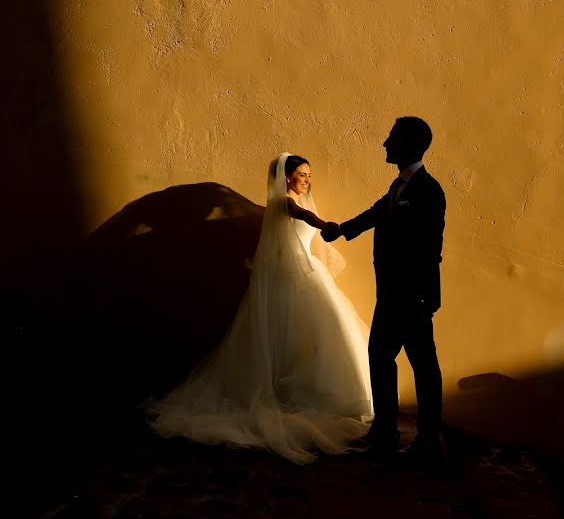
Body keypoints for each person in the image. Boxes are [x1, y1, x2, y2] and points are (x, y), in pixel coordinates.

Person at [145, 153, 373, 465]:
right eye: (302, 175)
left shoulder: (301, 200)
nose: (307, 180)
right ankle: (288, 394)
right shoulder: (284, 202)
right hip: (290, 277)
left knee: (317, 335)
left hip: (307, 272)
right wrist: (326, 225)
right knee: (291, 334)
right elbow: (304, 219)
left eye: (309, 175)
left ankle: (317, 392)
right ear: (287, 177)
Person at [322, 117, 446, 459]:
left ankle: (427, 441)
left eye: (391, 138)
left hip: (411, 296)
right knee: (380, 357)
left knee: (422, 365)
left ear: (407, 144)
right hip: (392, 294)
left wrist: (421, 297)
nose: (385, 144)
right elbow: (376, 214)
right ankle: (385, 433)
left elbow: (429, 247)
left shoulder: (428, 190)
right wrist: (341, 230)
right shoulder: (399, 187)